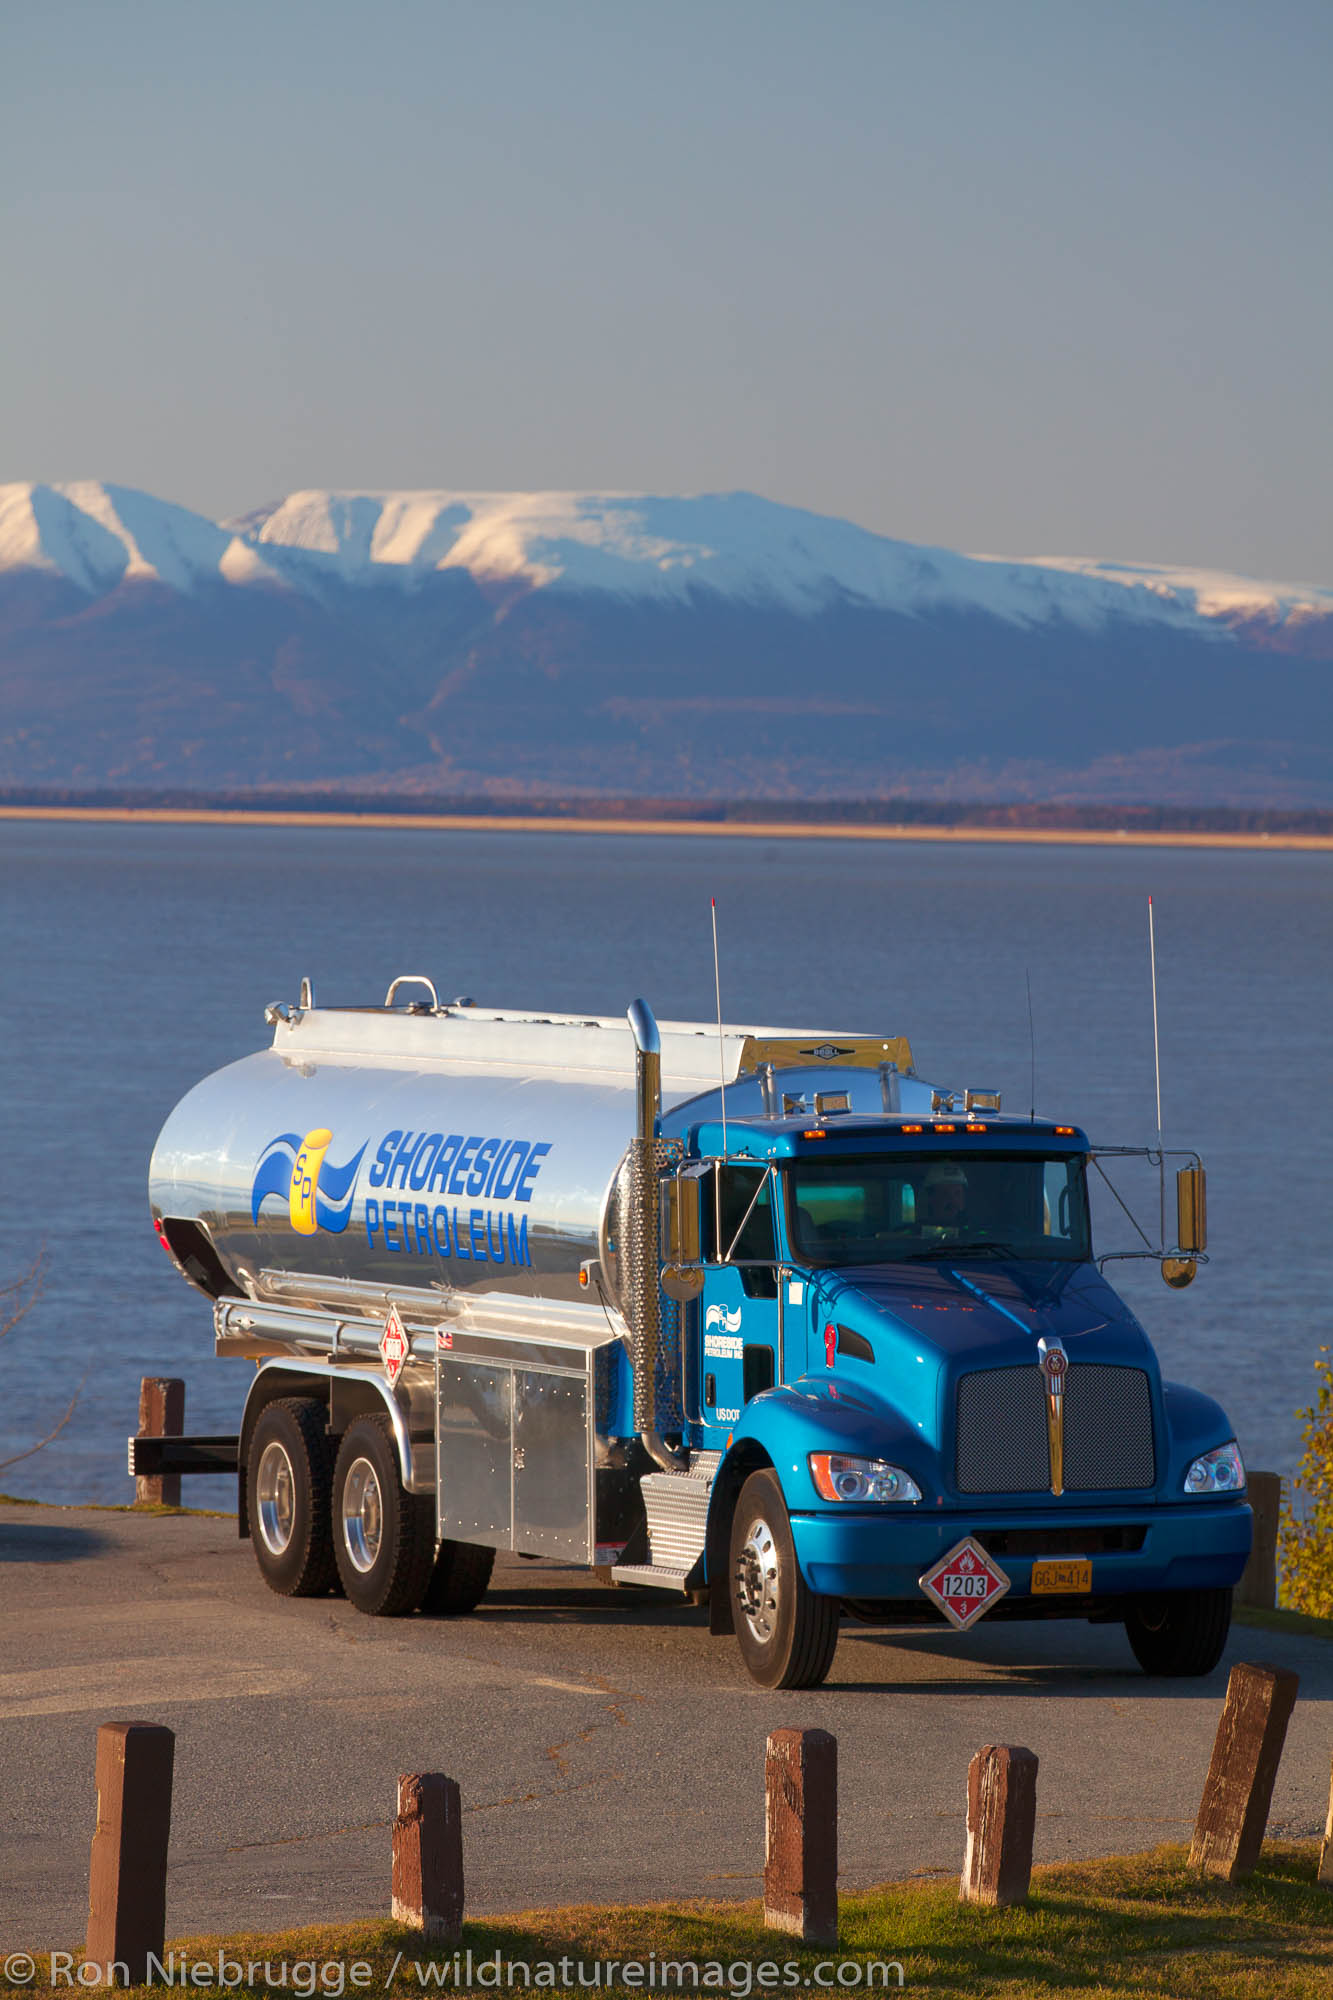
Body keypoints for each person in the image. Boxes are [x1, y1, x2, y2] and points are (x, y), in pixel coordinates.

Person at [920, 1160, 968, 1237]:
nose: (952, 1200)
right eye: (944, 1193)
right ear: (930, 1198)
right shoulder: (915, 1233)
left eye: (957, 1193)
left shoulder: (973, 1236)